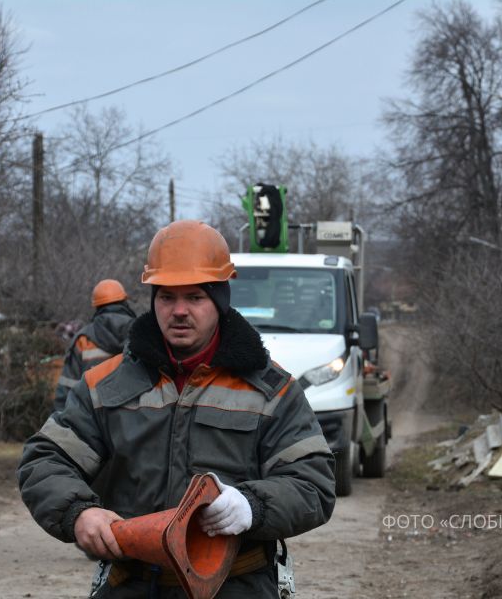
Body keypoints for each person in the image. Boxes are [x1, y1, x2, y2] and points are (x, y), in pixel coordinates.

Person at [18, 220, 335, 598]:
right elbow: (45, 459)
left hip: (236, 587)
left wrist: (251, 505)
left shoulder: (272, 390)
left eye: (195, 297)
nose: (179, 311)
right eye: (167, 296)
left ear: (220, 302)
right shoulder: (105, 385)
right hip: (131, 586)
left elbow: (313, 484)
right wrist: (78, 512)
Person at [53, 279, 136, 412]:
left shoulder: (83, 339)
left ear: (97, 306)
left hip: (93, 422)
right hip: (135, 422)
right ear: (125, 302)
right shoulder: (140, 333)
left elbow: (67, 388)